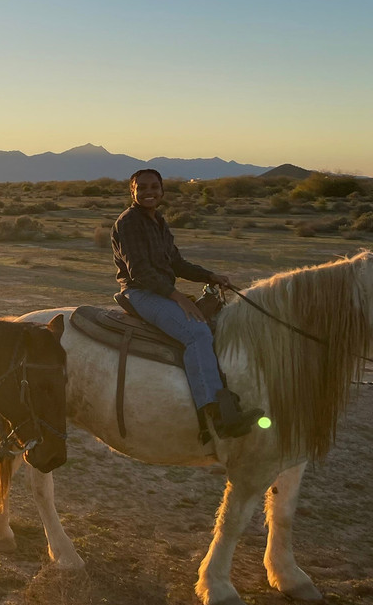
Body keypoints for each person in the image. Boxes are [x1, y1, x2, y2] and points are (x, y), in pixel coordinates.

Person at [111, 169, 262, 439]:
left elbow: (176, 263)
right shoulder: (128, 222)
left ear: (162, 191)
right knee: (197, 333)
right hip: (140, 293)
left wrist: (209, 276)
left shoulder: (158, 221)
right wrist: (177, 296)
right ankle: (215, 413)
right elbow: (140, 272)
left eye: (154, 187)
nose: (149, 192)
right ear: (132, 191)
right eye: (142, 187)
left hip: (161, 292)